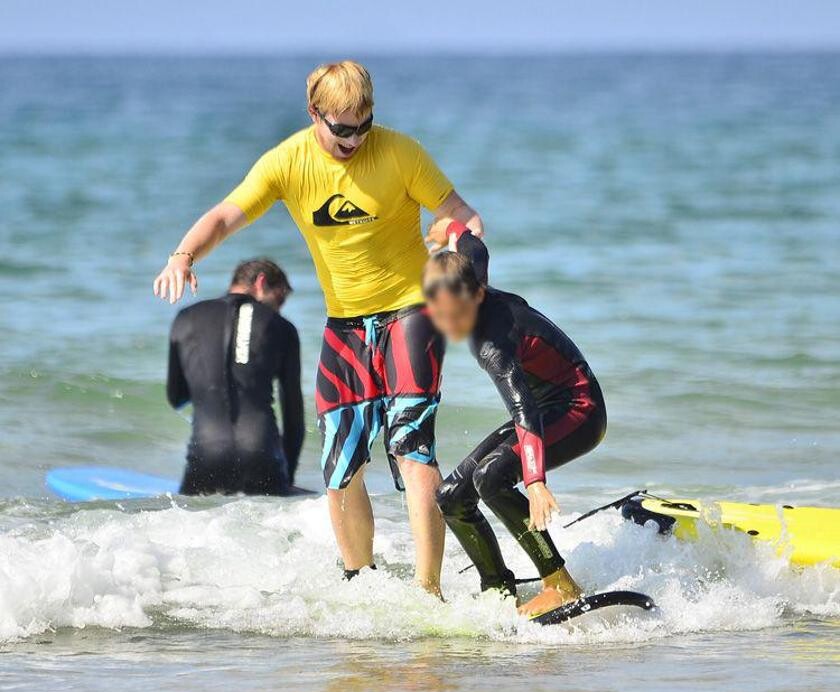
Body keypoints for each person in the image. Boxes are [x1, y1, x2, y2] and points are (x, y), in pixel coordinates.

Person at [152, 60, 483, 594]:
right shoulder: (288, 162)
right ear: (314, 115)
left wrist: (458, 238)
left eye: (364, 124)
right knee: (340, 461)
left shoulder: (401, 153)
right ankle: (361, 584)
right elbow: (225, 216)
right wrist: (183, 254)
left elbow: (461, 213)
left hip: (410, 313)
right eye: (342, 128)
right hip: (344, 325)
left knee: (411, 445)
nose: (355, 138)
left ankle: (428, 591)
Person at [422, 220, 607, 618]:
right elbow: (474, 245)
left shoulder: (493, 345)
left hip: (579, 410)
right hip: (542, 408)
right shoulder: (467, 272)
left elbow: (521, 408)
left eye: (456, 315)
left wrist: (536, 481)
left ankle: (559, 583)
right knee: (451, 496)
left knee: (491, 477)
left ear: (477, 295)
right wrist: (451, 228)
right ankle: (498, 589)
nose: (450, 325)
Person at [167, 258, 306, 496]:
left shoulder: (186, 317)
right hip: (262, 458)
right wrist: (286, 478)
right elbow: (294, 418)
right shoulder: (282, 327)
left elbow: (176, 397)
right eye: (280, 299)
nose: (279, 308)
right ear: (261, 282)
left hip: (205, 458)